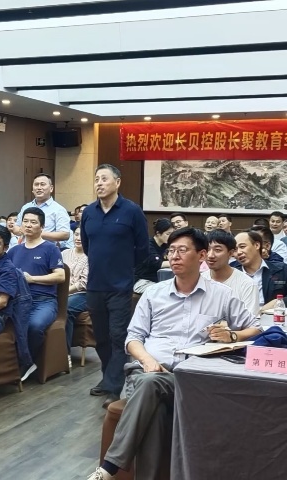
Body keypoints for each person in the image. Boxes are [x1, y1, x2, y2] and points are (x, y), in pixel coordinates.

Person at [87, 227, 262, 480]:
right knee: (153, 393)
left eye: (182, 250)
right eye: (171, 251)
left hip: (191, 380)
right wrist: (148, 360)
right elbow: (133, 338)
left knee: (152, 389)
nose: (174, 256)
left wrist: (233, 336)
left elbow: (255, 327)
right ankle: (111, 468)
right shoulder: (153, 293)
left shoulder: (221, 295)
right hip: (146, 372)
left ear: (201, 255)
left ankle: (109, 468)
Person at [81, 164, 149, 408]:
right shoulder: (89, 212)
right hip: (95, 284)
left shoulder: (131, 211)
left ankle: (115, 386)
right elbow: (87, 246)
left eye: (104, 178)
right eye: (96, 179)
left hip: (120, 285)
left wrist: (124, 269)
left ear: (117, 182)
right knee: (100, 337)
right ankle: (107, 377)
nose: (99, 183)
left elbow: (143, 248)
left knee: (118, 336)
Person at [8, 207, 65, 371]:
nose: (28, 225)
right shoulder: (14, 251)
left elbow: (60, 276)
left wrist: (32, 279)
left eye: (33, 222)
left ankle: (27, 364)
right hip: (18, 301)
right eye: (25, 221)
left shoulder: (51, 248)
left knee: (34, 326)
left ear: (42, 227)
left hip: (44, 301)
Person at [202, 229, 259, 314]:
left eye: (217, 250)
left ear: (231, 253)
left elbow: (250, 319)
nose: (210, 255)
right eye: (207, 250)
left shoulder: (247, 285)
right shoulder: (198, 281)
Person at [13, 173, 73, 249]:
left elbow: (65, 234)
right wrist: (24, 231)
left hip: (46, 250)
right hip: (24, 248)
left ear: (51, 188)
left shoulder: (58, 209)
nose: (39, 188)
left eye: (42, 184)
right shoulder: (26, 207)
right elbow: (16, 228)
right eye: (36, 184)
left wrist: (38, 233)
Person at [235, 230, 287, 312]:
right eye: (235, 249)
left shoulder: (281, 269)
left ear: (257, 245)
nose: (238, 252)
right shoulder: (231, 274)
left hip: (272, 317)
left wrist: (279, 302)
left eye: (242, 247)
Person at [62, 227, 88, 357]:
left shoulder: (91, 256)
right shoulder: (64, 253)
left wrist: (64, 293)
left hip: (83, 294)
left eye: (82, 235)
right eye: (76, 234)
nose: (78, 238)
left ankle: (65, 354)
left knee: (65, 309)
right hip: (61, 292)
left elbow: (83, 283)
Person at [133, 218, 173, 294]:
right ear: (158, 233)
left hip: (158, 281)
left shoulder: (165, 246)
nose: (170, 237)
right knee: (164, 292)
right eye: (168, 234)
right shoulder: (147, 245)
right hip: (142, 281)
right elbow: (157, 263)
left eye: (172, 234)